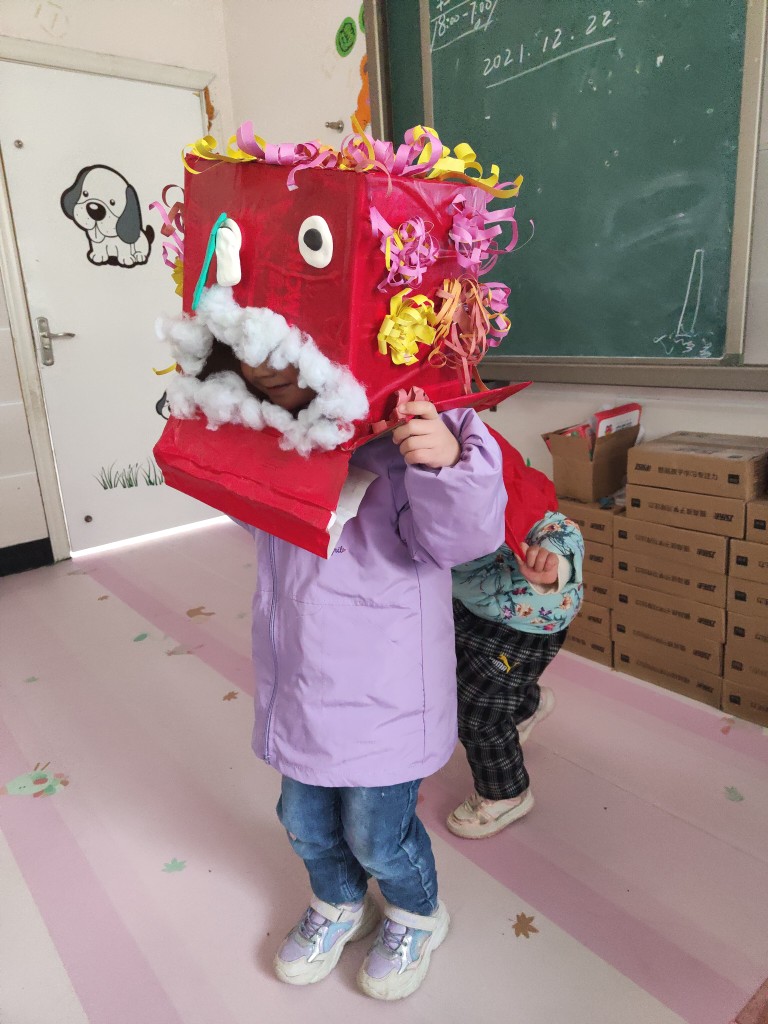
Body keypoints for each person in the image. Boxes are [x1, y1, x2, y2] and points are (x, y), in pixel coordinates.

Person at [237, 359, 506, 1000]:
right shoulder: (270, 422)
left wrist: (447, 465)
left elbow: (463, 541)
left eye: (283, 344)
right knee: (302, 818)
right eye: (249, 342)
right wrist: (223, 448)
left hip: (386, 685)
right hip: (300, 674)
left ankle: (416, 913)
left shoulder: (416, 420)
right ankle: (338, 902)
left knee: (378, 835)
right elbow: (257, 522)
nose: (264, 363)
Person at [448, 432, 584, 840]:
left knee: (476, 711)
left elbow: (565, 536)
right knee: (466, 675)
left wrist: (552, 566)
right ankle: (527, 705)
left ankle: (505, 793)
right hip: (472, 611)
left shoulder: (531, 514)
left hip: (522, 629)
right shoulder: (432, 506)